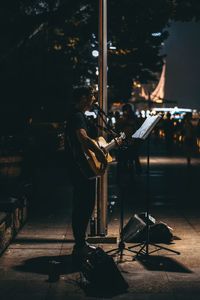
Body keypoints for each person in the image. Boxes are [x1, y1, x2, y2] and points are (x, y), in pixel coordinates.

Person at [65, 87, 107, 264]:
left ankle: (81, 243)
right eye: (91, 96)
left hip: (80, 168)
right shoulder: (77, 116)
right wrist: (98, 151)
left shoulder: (78, 115)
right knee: (84, 204)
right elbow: (82, 137)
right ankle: (80, 244)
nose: (93, 99)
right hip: (80, 169)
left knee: (83, 204)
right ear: (83, 98)